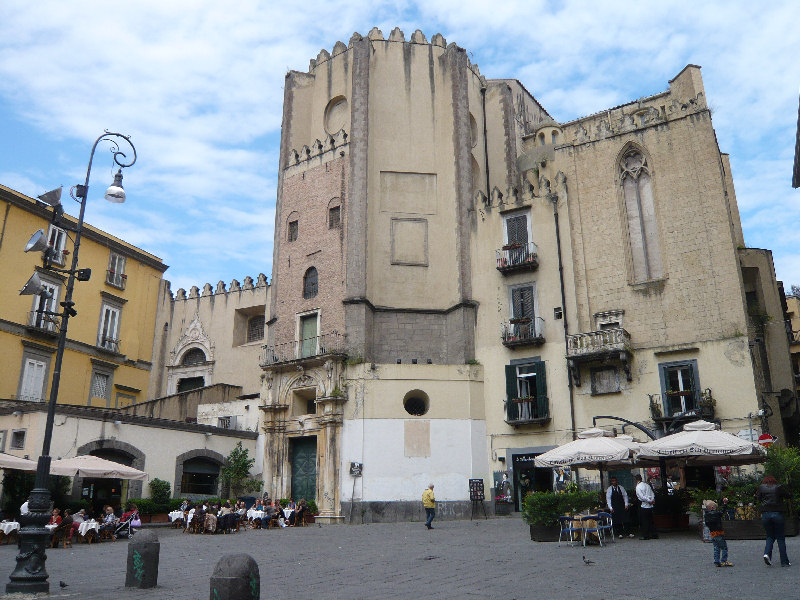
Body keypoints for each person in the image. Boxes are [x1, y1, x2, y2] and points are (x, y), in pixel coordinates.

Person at [757, 475, 792, 567]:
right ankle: (784, 561)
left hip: (765, 514)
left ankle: (767, 554)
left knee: (769, 536)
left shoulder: (761, 488)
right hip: (777, 513)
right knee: (780, 538)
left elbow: (759, 499)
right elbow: (788, 496)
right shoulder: (778, 487)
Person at [704, 500, 733, 567]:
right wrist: (725, 504)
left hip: (712, 533)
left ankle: (716, 561)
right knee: (724, 547)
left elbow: (707, 524)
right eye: (715, 507)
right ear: (712, 507)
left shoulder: (706, 515)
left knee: (716, 547)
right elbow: (722, 511)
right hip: (719, 532)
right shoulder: (716, 514)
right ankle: (724, 560)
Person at [634, 474, 657, 540]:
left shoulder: (638, 487)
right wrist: (652, 500)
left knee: (644, 521)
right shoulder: (647, 485)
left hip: (644, 505)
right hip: (650, 506)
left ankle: (646, 535)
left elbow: (642, 497)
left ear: (636, 479)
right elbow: (652, 493)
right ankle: (654, 534)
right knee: (651, 520)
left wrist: (649, 501)